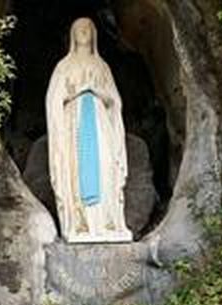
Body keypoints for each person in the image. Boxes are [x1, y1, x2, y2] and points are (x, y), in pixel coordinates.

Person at [45, 16, 133, 243]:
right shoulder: (64, 66)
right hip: (74, 125)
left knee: (105, 168)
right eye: (79, 28)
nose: (83, 31)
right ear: (72, 35)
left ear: (94, 34)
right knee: (76, 171)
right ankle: (81, 224)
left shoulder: (101, 66)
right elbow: (54, 100)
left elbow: (115, 100)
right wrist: (77, 92)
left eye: (87, 28)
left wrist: (95, 91)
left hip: (100, 124)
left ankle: (106, 223)